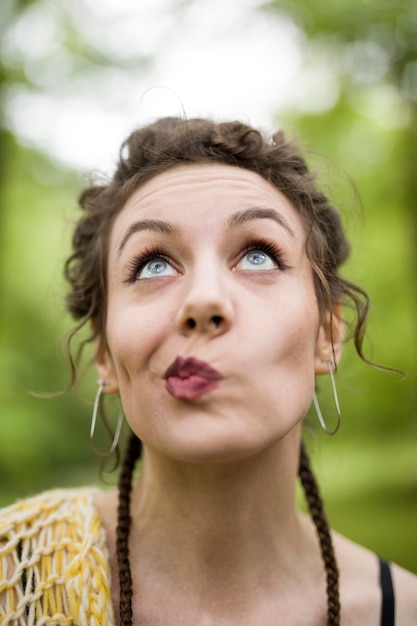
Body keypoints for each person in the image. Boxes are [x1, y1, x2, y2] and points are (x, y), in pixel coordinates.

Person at [0, 117, 416, 626]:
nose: (203, 300)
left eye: (258, 255)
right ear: (105, 355)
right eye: (153, 264)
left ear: (327, 335)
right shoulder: (11, 576)